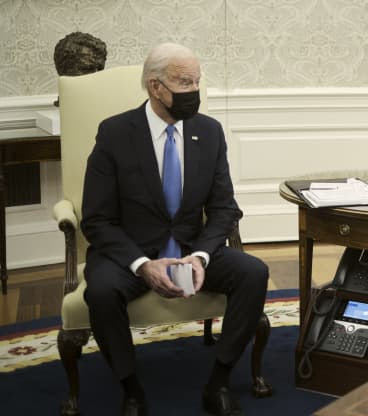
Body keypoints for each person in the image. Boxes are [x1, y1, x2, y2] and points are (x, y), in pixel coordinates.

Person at [80, 42, 268, 416]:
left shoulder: (209, 132)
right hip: (131, 255)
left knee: (254, 272)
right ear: (155, 87)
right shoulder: (115, 134)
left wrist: (199, 256)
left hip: (189, 249)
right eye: (185, 82)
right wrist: (141, 264)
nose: (194, 91)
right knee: (99, 291)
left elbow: (223, 208)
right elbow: (96, 219)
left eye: (197, 81)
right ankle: (131, 390)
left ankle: (218, 382)